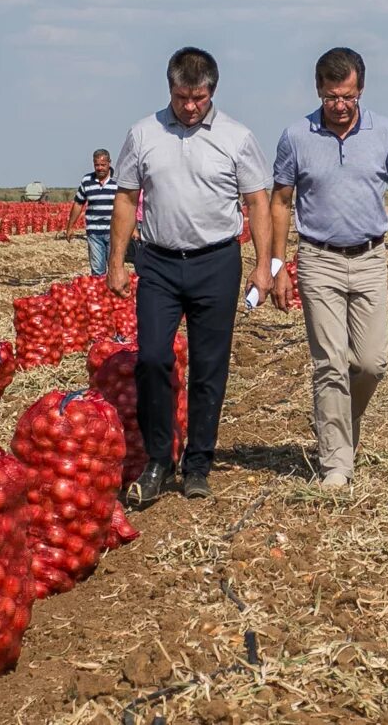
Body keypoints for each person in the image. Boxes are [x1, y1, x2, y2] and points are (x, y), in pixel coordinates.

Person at [108, 46, 273, 507]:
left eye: (199, 97)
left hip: (216, 261)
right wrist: (116, 261)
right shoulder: (143, 134)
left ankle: (199, 461)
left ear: (212, 92)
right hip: (158, 261)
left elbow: (257, 202)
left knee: (209, 367)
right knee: (154, 359)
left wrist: (263, 265)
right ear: (170, 89)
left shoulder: (237, 138)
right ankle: (159, 458)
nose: (190, 106)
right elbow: (126, 198)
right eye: (182, 97)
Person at [270, 47, 388, 489]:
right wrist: (278, 266)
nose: (340, 107)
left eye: (349, 97)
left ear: (361, 90)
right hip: (318, 258)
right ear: (318, 90)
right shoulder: (295, 136)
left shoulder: (386, 133)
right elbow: (280, 201)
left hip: (370, 258)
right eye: (331, 97)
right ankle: (337, 463)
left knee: (372, 362)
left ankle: (335, 422)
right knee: (330, 364)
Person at [66, 149, 119, 276]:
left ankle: (112, 295)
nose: (100, 168)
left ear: (109, 163)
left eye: (103, 165)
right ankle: (99, 294)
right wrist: (70, 226)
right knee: (97, 270)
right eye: (97, 165)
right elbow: (79, 203)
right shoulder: (87, 180)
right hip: (94, 232)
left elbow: (127, 205)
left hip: (115, 232)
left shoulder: (118, 180)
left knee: (115, 268)